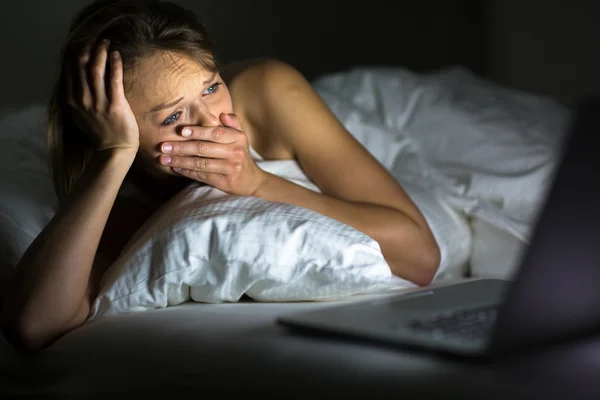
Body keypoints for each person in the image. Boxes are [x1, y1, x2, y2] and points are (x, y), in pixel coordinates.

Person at [0, 0, 440, 352]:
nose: (210, 122)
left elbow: (420, 256)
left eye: (211, 86)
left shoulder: (267, 90)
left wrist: (256, 182)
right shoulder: (120, 181)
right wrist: (113, 154)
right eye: (174, 115)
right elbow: (34, 326)